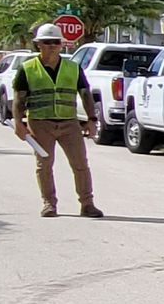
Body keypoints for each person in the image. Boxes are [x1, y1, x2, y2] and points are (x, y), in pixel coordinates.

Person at [11, 23, 103, 219]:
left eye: (56, 42)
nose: (52, 46)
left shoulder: (72, 67)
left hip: (69, 122)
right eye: (47, 42)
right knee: (44, 164)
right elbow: (19, 97)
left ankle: (87, 204)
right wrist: (18, 122)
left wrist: (92, 119)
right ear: (39, 45)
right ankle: (49, 203)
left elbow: (85, 94)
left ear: (62, 45)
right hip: (40, 122)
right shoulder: (27, 68)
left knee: (80, 164)